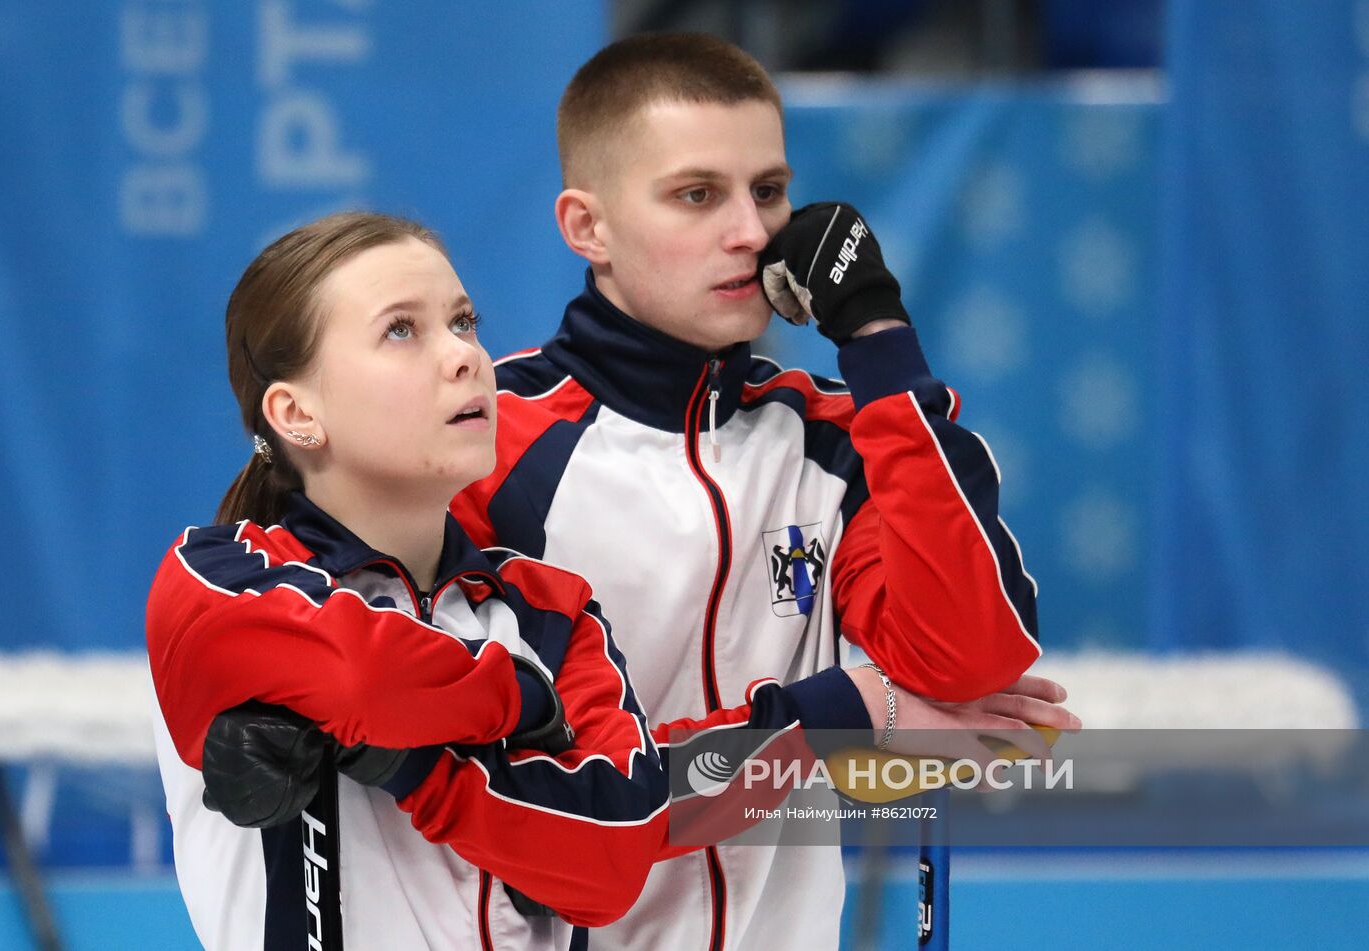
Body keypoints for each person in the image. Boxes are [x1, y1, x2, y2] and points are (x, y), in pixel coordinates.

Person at [439, 33, 1075, 951]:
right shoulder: (485, 443)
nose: (750, 231)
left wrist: (879, 339)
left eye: (768, 191)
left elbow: (969, 659)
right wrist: (830, 724)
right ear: (588, 228)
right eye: (697, 195)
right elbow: (517, 795)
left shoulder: (837, 439)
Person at [146, 212, 673, 950]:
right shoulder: (213, 576)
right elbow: (361, 674)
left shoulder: (553, 609)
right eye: (402, 330)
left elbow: (614, 855)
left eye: (463, 321)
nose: (464, 356)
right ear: (297, 413)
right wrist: (522, 701)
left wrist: (411, 763)